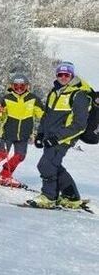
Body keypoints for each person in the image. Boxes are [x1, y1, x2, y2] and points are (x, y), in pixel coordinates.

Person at [31, 62, 92, 209]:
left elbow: (79, 125)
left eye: (67, 75)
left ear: (71, 75)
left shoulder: (79, 95)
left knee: (45, 165)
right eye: (60, 74)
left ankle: (49, 197)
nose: (63, 77)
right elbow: (47, 116)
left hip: (63, 138)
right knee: (54, 165)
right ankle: (71, 196)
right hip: (50, 137)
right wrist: (40, 134)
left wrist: (56, 138)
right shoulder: (55, 92)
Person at [0, 73, 43, 185]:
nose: (19, 89)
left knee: (20, 156)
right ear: (12, 86)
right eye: (16, 86)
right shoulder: (6, 99)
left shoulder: (33, 99)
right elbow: (0, 118)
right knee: (2, 153)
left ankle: (5, 175)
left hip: (24, 134)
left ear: (27, 86)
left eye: (22, 86)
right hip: (8, 132)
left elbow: (42, 114)